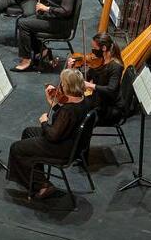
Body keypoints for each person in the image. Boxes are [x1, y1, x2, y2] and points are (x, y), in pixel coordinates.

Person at [6, 68, 91, 199]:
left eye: (62, 83)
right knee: (28, 132)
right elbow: (67, 122)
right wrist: (54, 104)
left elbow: (53, 135)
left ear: (67, 87)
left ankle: (42, 185)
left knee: (17, 148)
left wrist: (44, 122)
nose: (60, 86)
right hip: (72, 142)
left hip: (63, 149)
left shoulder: (68, 110)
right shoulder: (83, 100)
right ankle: (35, 176)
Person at [13, 0, 79, 72]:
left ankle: (26, 60)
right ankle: (42, 51)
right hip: (51, 18)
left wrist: (47, 8)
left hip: (60, 24)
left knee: (23, 24)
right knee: (26, 20)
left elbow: (66, 10)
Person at [70, 33, 124, 123]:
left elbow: (111, 89)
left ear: (104, 48)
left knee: (74, 111)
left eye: (94, 48)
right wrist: (72, 68)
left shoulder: (116, 66)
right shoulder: (99, 61)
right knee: (72, 105)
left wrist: (90, 85)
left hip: (108, 106)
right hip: (98, 98)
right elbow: (86, 76)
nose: (92, 52)